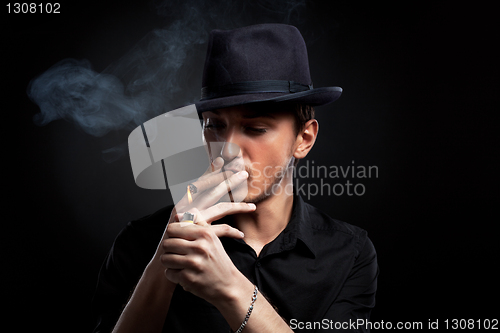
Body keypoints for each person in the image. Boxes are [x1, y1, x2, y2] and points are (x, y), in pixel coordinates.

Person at [92, 23, 378, 333]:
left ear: (304, 139)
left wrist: (232, 289)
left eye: (255, 129)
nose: (227, 149)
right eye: (214, 125)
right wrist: (164, 261)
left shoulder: (349, 252)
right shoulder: (141, 241)